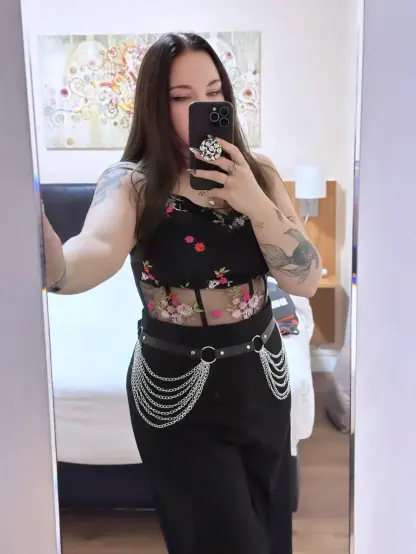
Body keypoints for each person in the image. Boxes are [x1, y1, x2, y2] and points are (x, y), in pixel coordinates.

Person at [42, 32, 322, 554]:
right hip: (175, 392)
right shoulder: (132, 184)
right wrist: (51, 260)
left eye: (213, 92)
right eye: (181, 96)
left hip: (262, 382)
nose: (203, 107)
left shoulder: (259, 173)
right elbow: (94, 250)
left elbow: (304, 279)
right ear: (154, 103)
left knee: (268, 534)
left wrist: (252, 199)